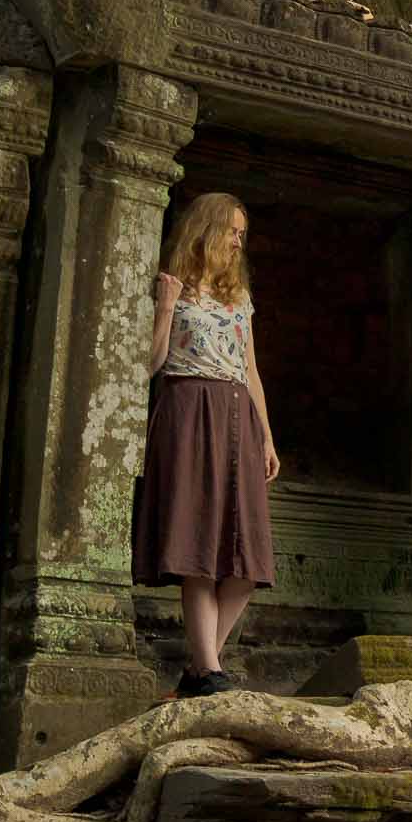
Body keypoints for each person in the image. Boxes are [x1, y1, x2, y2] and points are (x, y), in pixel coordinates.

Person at [134, 192, 278, 697]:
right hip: (188, 409)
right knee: (196, 547)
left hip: (238, 414)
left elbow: (251, 370)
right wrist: (165, 307)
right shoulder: (171, 285)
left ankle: (200, 671)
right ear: (207, 229)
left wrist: (267, 436)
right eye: (232, 231)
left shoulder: (239, 295)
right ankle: (210, 672)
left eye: (242, 233)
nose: (238, 241)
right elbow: (149, 365)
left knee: (247, 559)